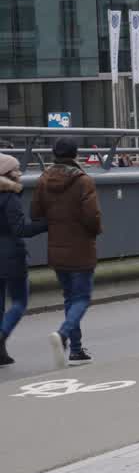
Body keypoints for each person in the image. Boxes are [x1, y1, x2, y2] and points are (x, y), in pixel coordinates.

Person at [32, 137, 103, 366]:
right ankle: (63, 335)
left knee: (70, 298)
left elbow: (35, 214)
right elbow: (92, 217)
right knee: (82, 298)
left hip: (57, 249)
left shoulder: (43, 179)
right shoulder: (83, 181)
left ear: (54, 154)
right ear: (75, 154)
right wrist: (95, 231)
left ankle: (77, 349)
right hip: (80, 248)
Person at [0, 154, 46, 367]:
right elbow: (20, 229)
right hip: (11, 256)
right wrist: (45, 224)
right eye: (16, 170)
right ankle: (2, 335)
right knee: (20, 301)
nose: (19, 173)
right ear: (6, 174)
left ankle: (1, 354)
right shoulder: (9, 197)